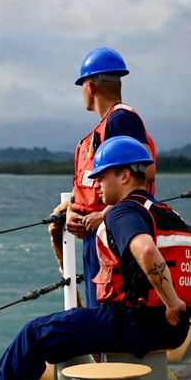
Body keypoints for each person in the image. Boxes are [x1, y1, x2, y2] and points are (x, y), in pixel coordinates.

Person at [0, 136, 190, 380]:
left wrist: (170, 301)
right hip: (176, 327)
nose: (97, 185)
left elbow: (146, 250)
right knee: (72, 327)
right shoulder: (163, 211)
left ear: (125, 175)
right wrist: (175, 303)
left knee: (36, 334)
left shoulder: (124, 212)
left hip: (140, 321)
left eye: (102, 177)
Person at [66, 47, 157, 307]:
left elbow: (144, 171)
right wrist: (73, 212)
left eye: (82, 85)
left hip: (112, 235)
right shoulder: (106, 125)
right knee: (99, 311)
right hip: (97, 233)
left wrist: (105, 214)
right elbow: (92, 183)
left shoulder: (120, 120)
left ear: (90, 87)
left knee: (107, 315)